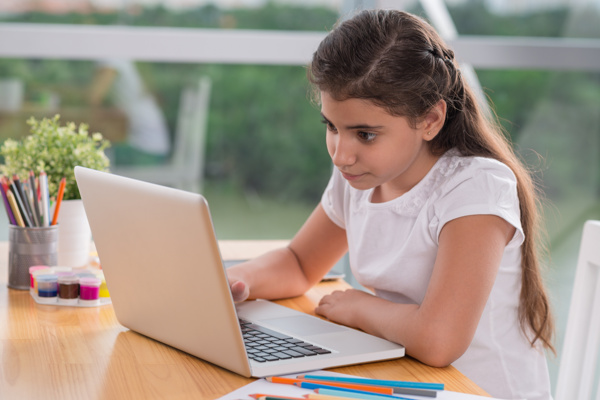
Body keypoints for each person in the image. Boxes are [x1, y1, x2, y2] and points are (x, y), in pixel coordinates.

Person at [227, 9, 554, 400]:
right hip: (404, 380)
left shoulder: (474, 187)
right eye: (331, 127)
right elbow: (299, 263)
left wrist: (359, 308)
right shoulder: (361, 175)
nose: (340, 154)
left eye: (364, 134)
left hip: (475, 391)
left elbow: (438, 341)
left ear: (430, 119)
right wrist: (228, 283)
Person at [88, 59, 171, 166]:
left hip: (146, 152)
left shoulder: (111, 60)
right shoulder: (122, 59)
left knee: (90, 153)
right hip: (154, 148)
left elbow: (93, 97)